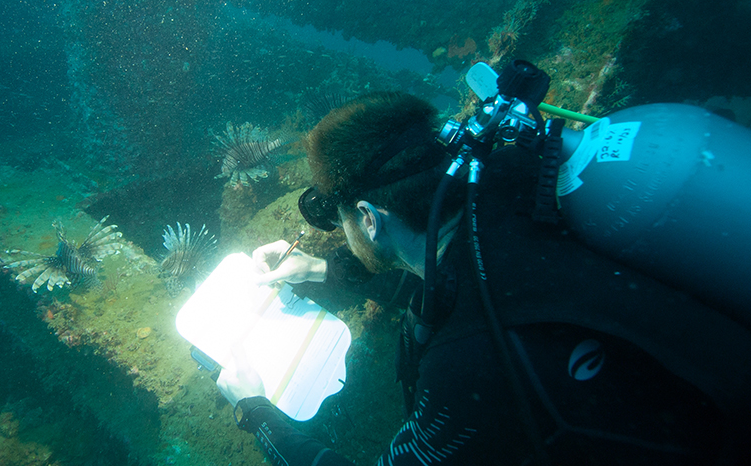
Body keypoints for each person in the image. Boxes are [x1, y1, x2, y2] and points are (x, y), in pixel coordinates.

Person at [215, 91, 751, 465]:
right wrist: (323, 268)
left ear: (370, 218)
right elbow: (473, 278)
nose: (339, 228)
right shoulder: (518, 176)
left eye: (339, 216)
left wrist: (255, 411)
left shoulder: (467, 363)